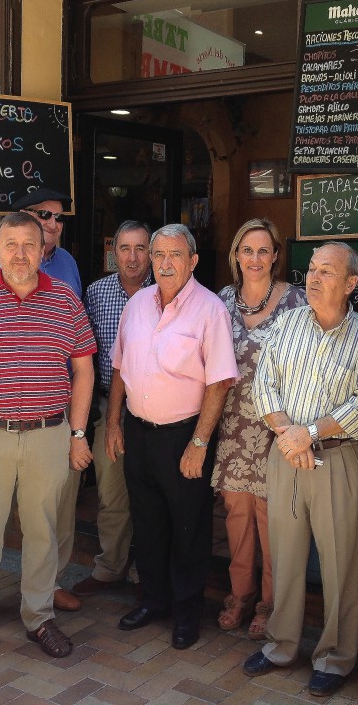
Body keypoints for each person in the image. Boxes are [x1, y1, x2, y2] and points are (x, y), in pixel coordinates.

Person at [0, 211, 95, 669]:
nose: (20, 254)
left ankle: (39, 616)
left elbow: (84, 370)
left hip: (48, 433)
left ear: (42, 249)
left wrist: (77, 434)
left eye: (29, 244)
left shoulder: (65, 300)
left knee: (42, 532)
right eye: (11, 244)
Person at [243, 242, 358, 698]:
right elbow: (265, 383)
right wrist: (290, 435)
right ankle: (281, 645)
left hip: (338, 458)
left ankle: (335, 656)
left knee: (340, 563)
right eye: (312, 269)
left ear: (351, 283)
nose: (314, 279)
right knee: (284, 555)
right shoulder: (287, 323)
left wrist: (311, 433)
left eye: (327, 272)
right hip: (285, 454)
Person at [106, 223, 238, 650]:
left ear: (193, 261)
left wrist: (199, 443)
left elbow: (219, 382)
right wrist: (113, 422)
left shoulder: (210, 309)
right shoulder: (137, 304)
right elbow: (120, 367)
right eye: (158, 254)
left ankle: (186, 613)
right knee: (148, 524)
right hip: (139, 433)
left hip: (184, 437)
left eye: (175, 255)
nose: (164, 263)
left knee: (188, 530)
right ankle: (154, 600)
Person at [0, 186, 83, 614]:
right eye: (44, 215)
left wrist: (77, 429)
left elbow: (80, 356)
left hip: (52, 412)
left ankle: (44, 598)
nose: (53, 223)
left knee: (47, 522)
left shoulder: (67, 271)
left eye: (58, 218)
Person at [211, 218, 305, 639]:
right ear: (236, 255)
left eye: (263, 250)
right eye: (246, 250)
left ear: (275, 256)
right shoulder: (221, 301)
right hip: (232, 424)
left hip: (276, 427)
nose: (254, 258)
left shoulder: (296, 301)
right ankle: (240, 594)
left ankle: (270, 602)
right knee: (236, 515)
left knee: (272, 519)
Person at [71, 220, 152, 597]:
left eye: (141, 248)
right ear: (113, 253)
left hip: (157, 409)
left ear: (151, 253)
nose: (133, 257)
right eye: (124, 248)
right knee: (112, 490)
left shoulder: (168, 290)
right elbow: (83, 353)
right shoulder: (97, 292)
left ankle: (148, 570)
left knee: (152, 492)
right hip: (109, 405)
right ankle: (111, 567)